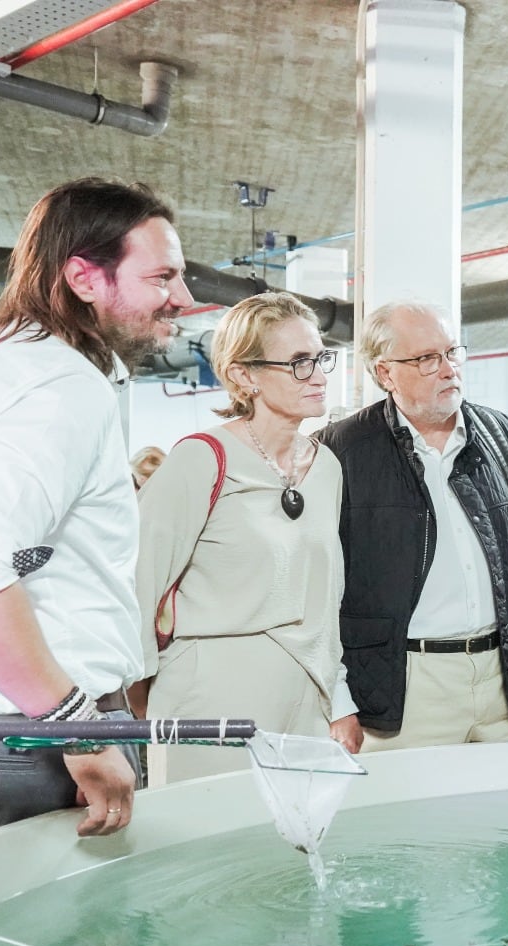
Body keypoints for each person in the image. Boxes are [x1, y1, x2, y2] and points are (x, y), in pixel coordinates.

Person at [0, 177, 193, 834]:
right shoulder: (59, 390)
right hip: (29, 738)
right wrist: (82, 730)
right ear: (84, 277)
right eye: (162, 277)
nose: (182, 300)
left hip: (10, 723)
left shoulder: (17, 368)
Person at [317, 301, 508, 752]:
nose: (448, 369)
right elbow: (320, 594)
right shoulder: (340, 453)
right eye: (427, 359)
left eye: (452, 353)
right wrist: (339, 701)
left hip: (507, 676)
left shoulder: (501, 438)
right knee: (410, 822)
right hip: (406, 686)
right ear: (385, 373)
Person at [134, 292, 355, 782]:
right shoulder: (200, 459)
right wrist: (133, 717)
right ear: (243, 375)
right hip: (208, 697)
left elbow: (327, 600)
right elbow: (138, 588)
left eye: (320, 357)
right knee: (205, 848)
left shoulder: (327, 468)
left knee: (295, 854)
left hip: (306, 698)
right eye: (298, 362)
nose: (318, 375)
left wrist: (339, 698)